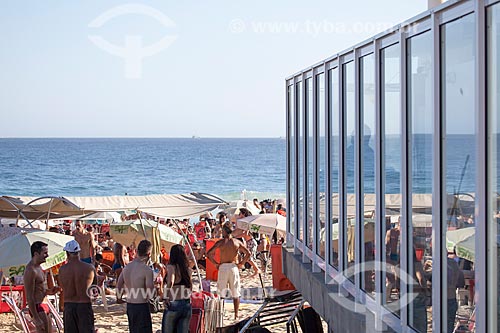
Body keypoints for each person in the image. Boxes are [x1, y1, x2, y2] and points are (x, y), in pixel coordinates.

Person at [207, 223, 251, 319]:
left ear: (225, 231)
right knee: (235, 292)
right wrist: (241, 263)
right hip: (233, 266)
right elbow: (248, 253)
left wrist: (215, 263)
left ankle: (220, 313)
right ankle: (236, 314)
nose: (221, 232)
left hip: (223, 266)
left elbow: (209, 253)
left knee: (221, 292)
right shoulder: (236, 242)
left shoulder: (221, 242)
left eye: (222, 231)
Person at [58, 240, 97, 333]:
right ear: (79, 252)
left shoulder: (62, 270)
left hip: (69, 305)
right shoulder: (89, 268)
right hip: (84, 305)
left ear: (67, 253)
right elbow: (95, 290)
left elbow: (62, 287)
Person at [116, 240, 154, 333]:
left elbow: (119, 284)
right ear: (149, 254)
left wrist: (119, 297)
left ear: (136, 251)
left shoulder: (127, 267)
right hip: (141, 304)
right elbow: (150, 291)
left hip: (130, 305)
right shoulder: (147, 270)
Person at [161, 244, 193, 333]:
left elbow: (171, 281)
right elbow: (191, 286)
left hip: (174, 302)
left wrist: (166, 296)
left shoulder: (172, 267)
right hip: (186, 303)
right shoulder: (187, 269)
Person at [24, 241, 54, 333]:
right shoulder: (31, 270)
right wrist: (36, 318)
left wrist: (50, 291)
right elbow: (29, 295)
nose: (47, 255)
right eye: (45, 253)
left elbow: (40, 289)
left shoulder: (39, 267)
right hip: (38, 307)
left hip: (44, 304)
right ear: (36, 254)